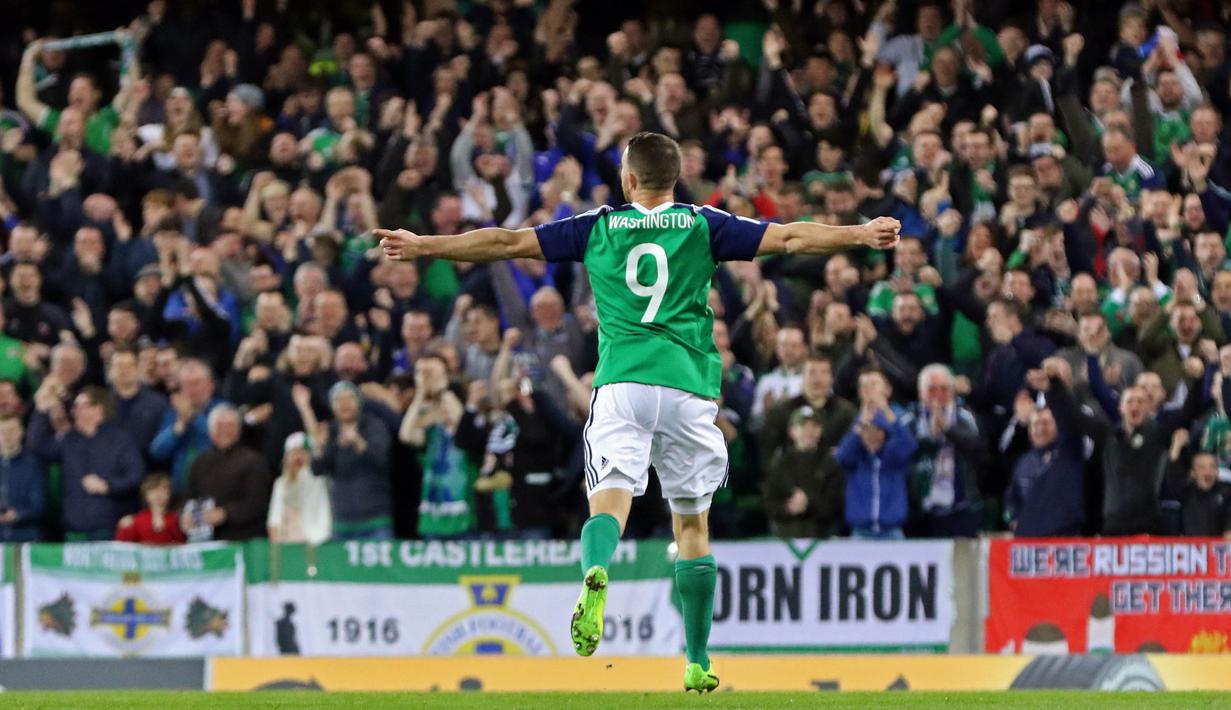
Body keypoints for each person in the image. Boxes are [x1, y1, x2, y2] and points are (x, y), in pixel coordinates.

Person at [377, 130, 899, 690]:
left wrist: (427, 244)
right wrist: (859, 233)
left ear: (628, 179)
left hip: (622, 381)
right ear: (673, 178)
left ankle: (598, 570)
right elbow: (792, 238)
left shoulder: (597, 226)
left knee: (609, 503)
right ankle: (697, 659)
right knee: (692, 525)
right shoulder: (704, 223)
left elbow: (505, 243)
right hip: (688, 388)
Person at [180, 404, 272, 541]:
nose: (225, 430)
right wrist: (184, 516)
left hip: (244, 539)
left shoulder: (254, 461)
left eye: (230, 425)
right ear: (210, 431)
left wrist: (225, 513)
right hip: (205, 540)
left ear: (239, 429)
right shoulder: (199, 462)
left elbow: (258, 502)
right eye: (219, 425)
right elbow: (189, 497)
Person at [267, 432, 333, 545]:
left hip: (318, 539)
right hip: (289, 541)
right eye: (293, 453)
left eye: (303, 452)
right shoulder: (280, 483)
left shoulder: (320, 479)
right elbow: (274, 518)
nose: (298, 457)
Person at [0, 414, 45, 542]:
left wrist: (18, 515)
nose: (7, 436)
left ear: (21, 432)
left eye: (11, 431)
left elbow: (38, 506)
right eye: (2, 432)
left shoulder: (34, 465)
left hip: (27, 537)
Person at [115, 474, 186, 545]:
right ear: (146, 495)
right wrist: (123, 528)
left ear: (170, 493)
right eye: (153, 490)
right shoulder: (137, 520)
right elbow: (123, 546)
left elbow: (182, 544)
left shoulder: (177, 519)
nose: (158, 494)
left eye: (163, 489)